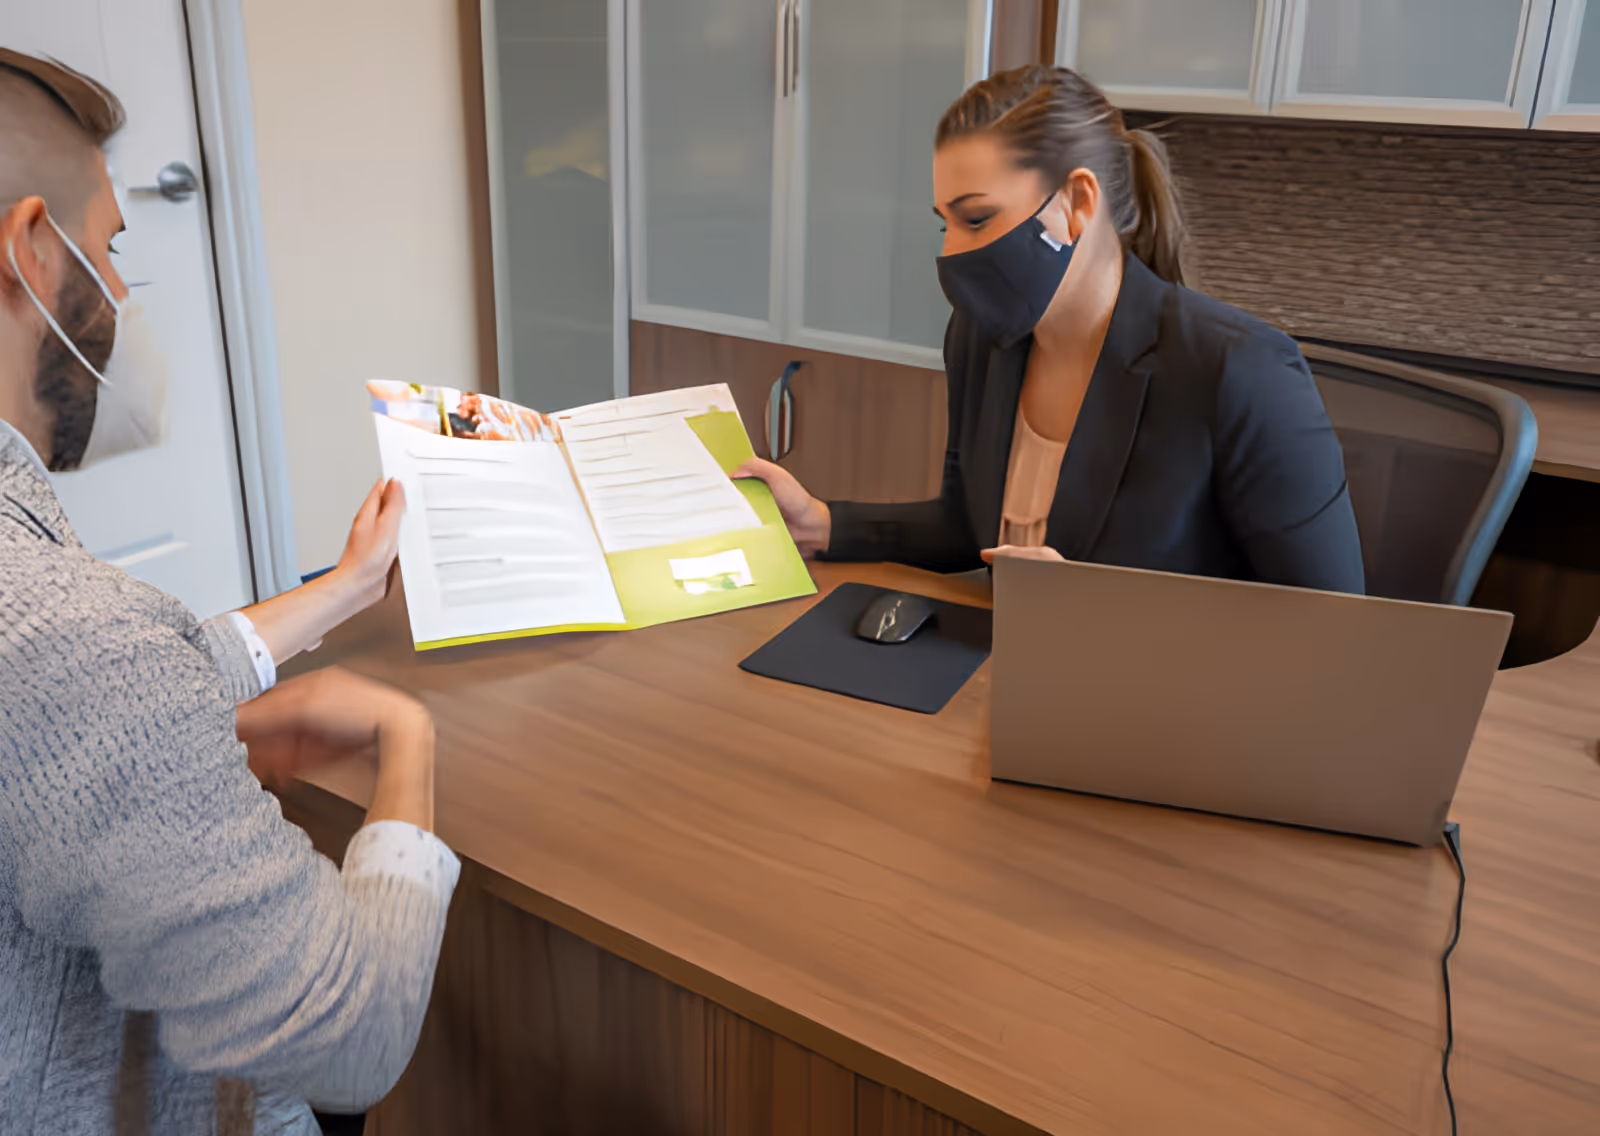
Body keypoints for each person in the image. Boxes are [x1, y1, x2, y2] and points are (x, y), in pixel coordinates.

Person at [0, 50, 456, 1136]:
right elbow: (354, 1037)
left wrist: (343, 590)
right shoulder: (70, 637)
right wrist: (410, 742)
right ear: (27, 247)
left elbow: (61, 709)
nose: (115, 291)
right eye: (108, 248)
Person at [739, 66, 1366, 594]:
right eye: (945, 226)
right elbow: (970, 528)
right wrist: (821, 523)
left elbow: (1324, 625)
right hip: (1001, 672)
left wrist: (1092, 612)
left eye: (977, 219)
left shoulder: (1242, 370)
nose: (954, 252)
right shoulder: (981, 336)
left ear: (1077, 203)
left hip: (1154, 712)